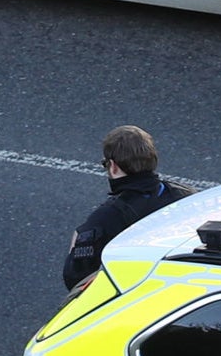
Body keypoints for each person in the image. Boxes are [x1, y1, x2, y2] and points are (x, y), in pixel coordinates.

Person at [63, 125, 180, 291]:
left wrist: (78, 241)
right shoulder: (186, 197)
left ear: (113, 166)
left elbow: (76, 278)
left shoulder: (106, 217)